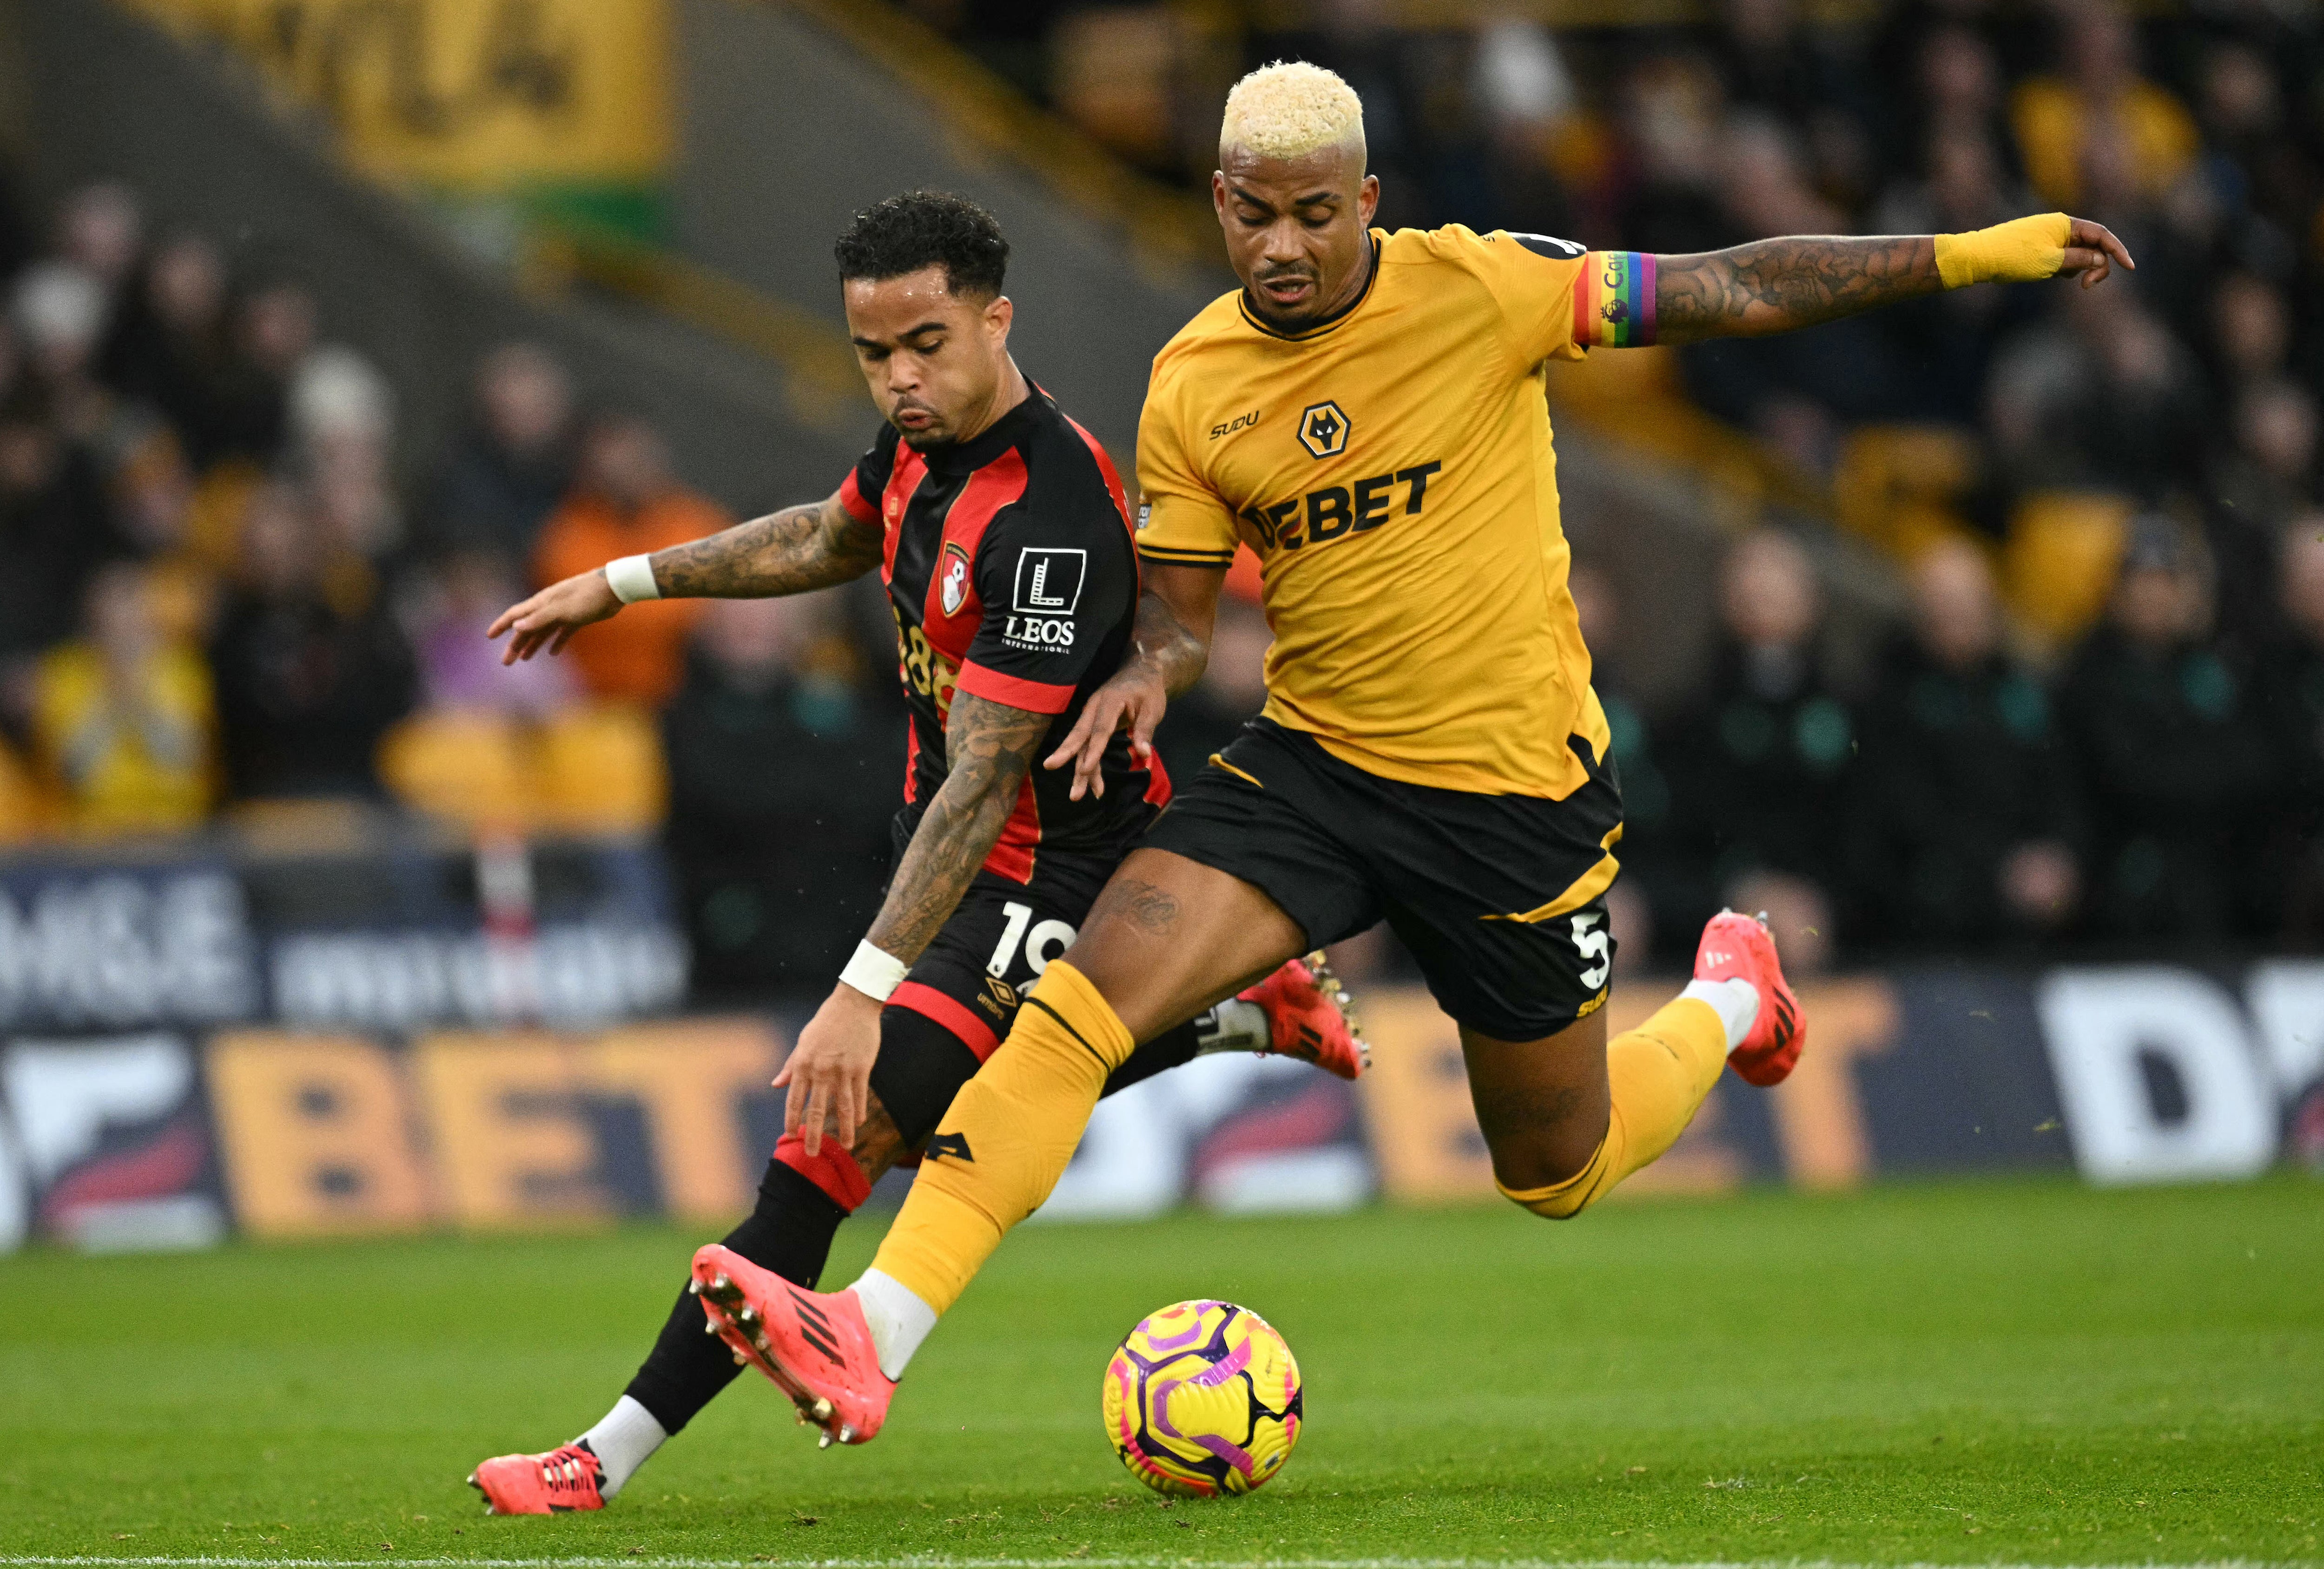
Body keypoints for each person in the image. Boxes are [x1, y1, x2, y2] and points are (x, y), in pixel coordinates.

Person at [696, 60, 2137, 1449]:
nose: (1283, 244)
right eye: (1253, 213)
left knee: (1553, 1173)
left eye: (1315, 213)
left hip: (1514, 801)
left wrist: (1966, 252)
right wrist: (1144, 674)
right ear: (1216, 201)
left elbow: (1730, 282)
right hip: (1315, 773)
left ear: (1368, 198)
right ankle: (872, 1330)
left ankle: (1725, 997)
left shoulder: (1487, 286)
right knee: (1074, 1009)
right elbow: (1182, 626)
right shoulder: (1192, 384)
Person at [468, 191, 1360, 1513]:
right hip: (960, 855)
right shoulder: (921, 449)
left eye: (926, 343)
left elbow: (991, 769)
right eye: (874, 352)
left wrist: (857, 987)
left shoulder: (1047, 510)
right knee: (891, 1125)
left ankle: (600, 1458)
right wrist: (630, 579)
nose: (898, 378)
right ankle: (1231, 1011)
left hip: (1055, 864)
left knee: (831, 1137)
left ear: (998, 320)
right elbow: (834, 534)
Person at [528, 413, 724, 708]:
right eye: (612, 458)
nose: (625, 470)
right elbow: (594, 613)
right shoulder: (565, 535)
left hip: (690, 701)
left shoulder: (700, 523)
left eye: (636, 458)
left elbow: (721, 617)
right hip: (588, 708)